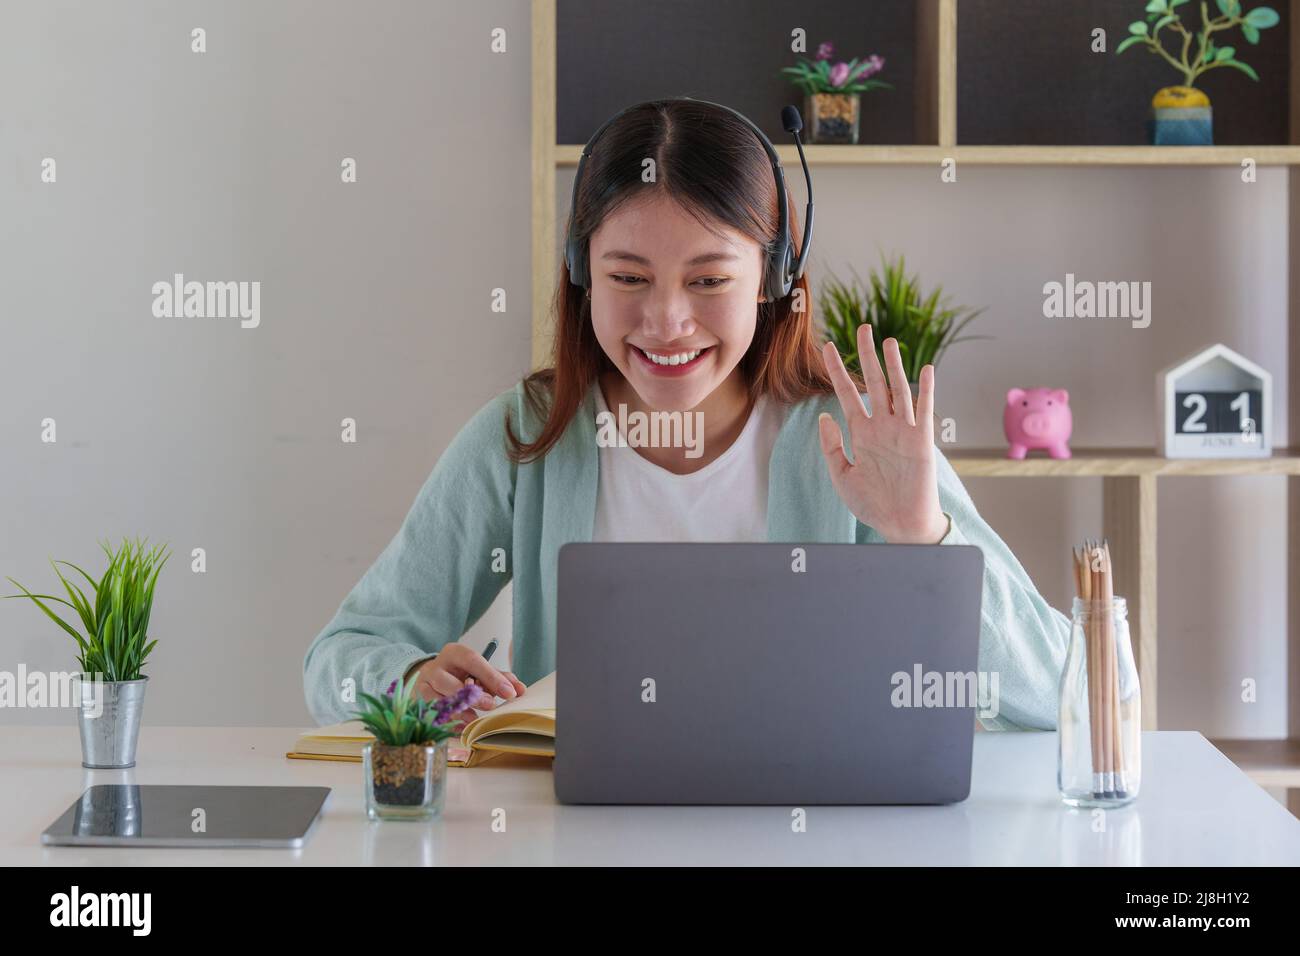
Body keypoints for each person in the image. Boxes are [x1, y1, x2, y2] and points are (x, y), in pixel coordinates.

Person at [303, 99, 1069, 731]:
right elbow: (339, 658)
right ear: (581, 277)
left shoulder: (852, 438)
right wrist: (407, 678)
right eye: (628, 276)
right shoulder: (525, 436)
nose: (666, 321)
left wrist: (923, 536)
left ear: (772, 279)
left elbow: (1059, 695)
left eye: (709, 281)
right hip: (575, 836)